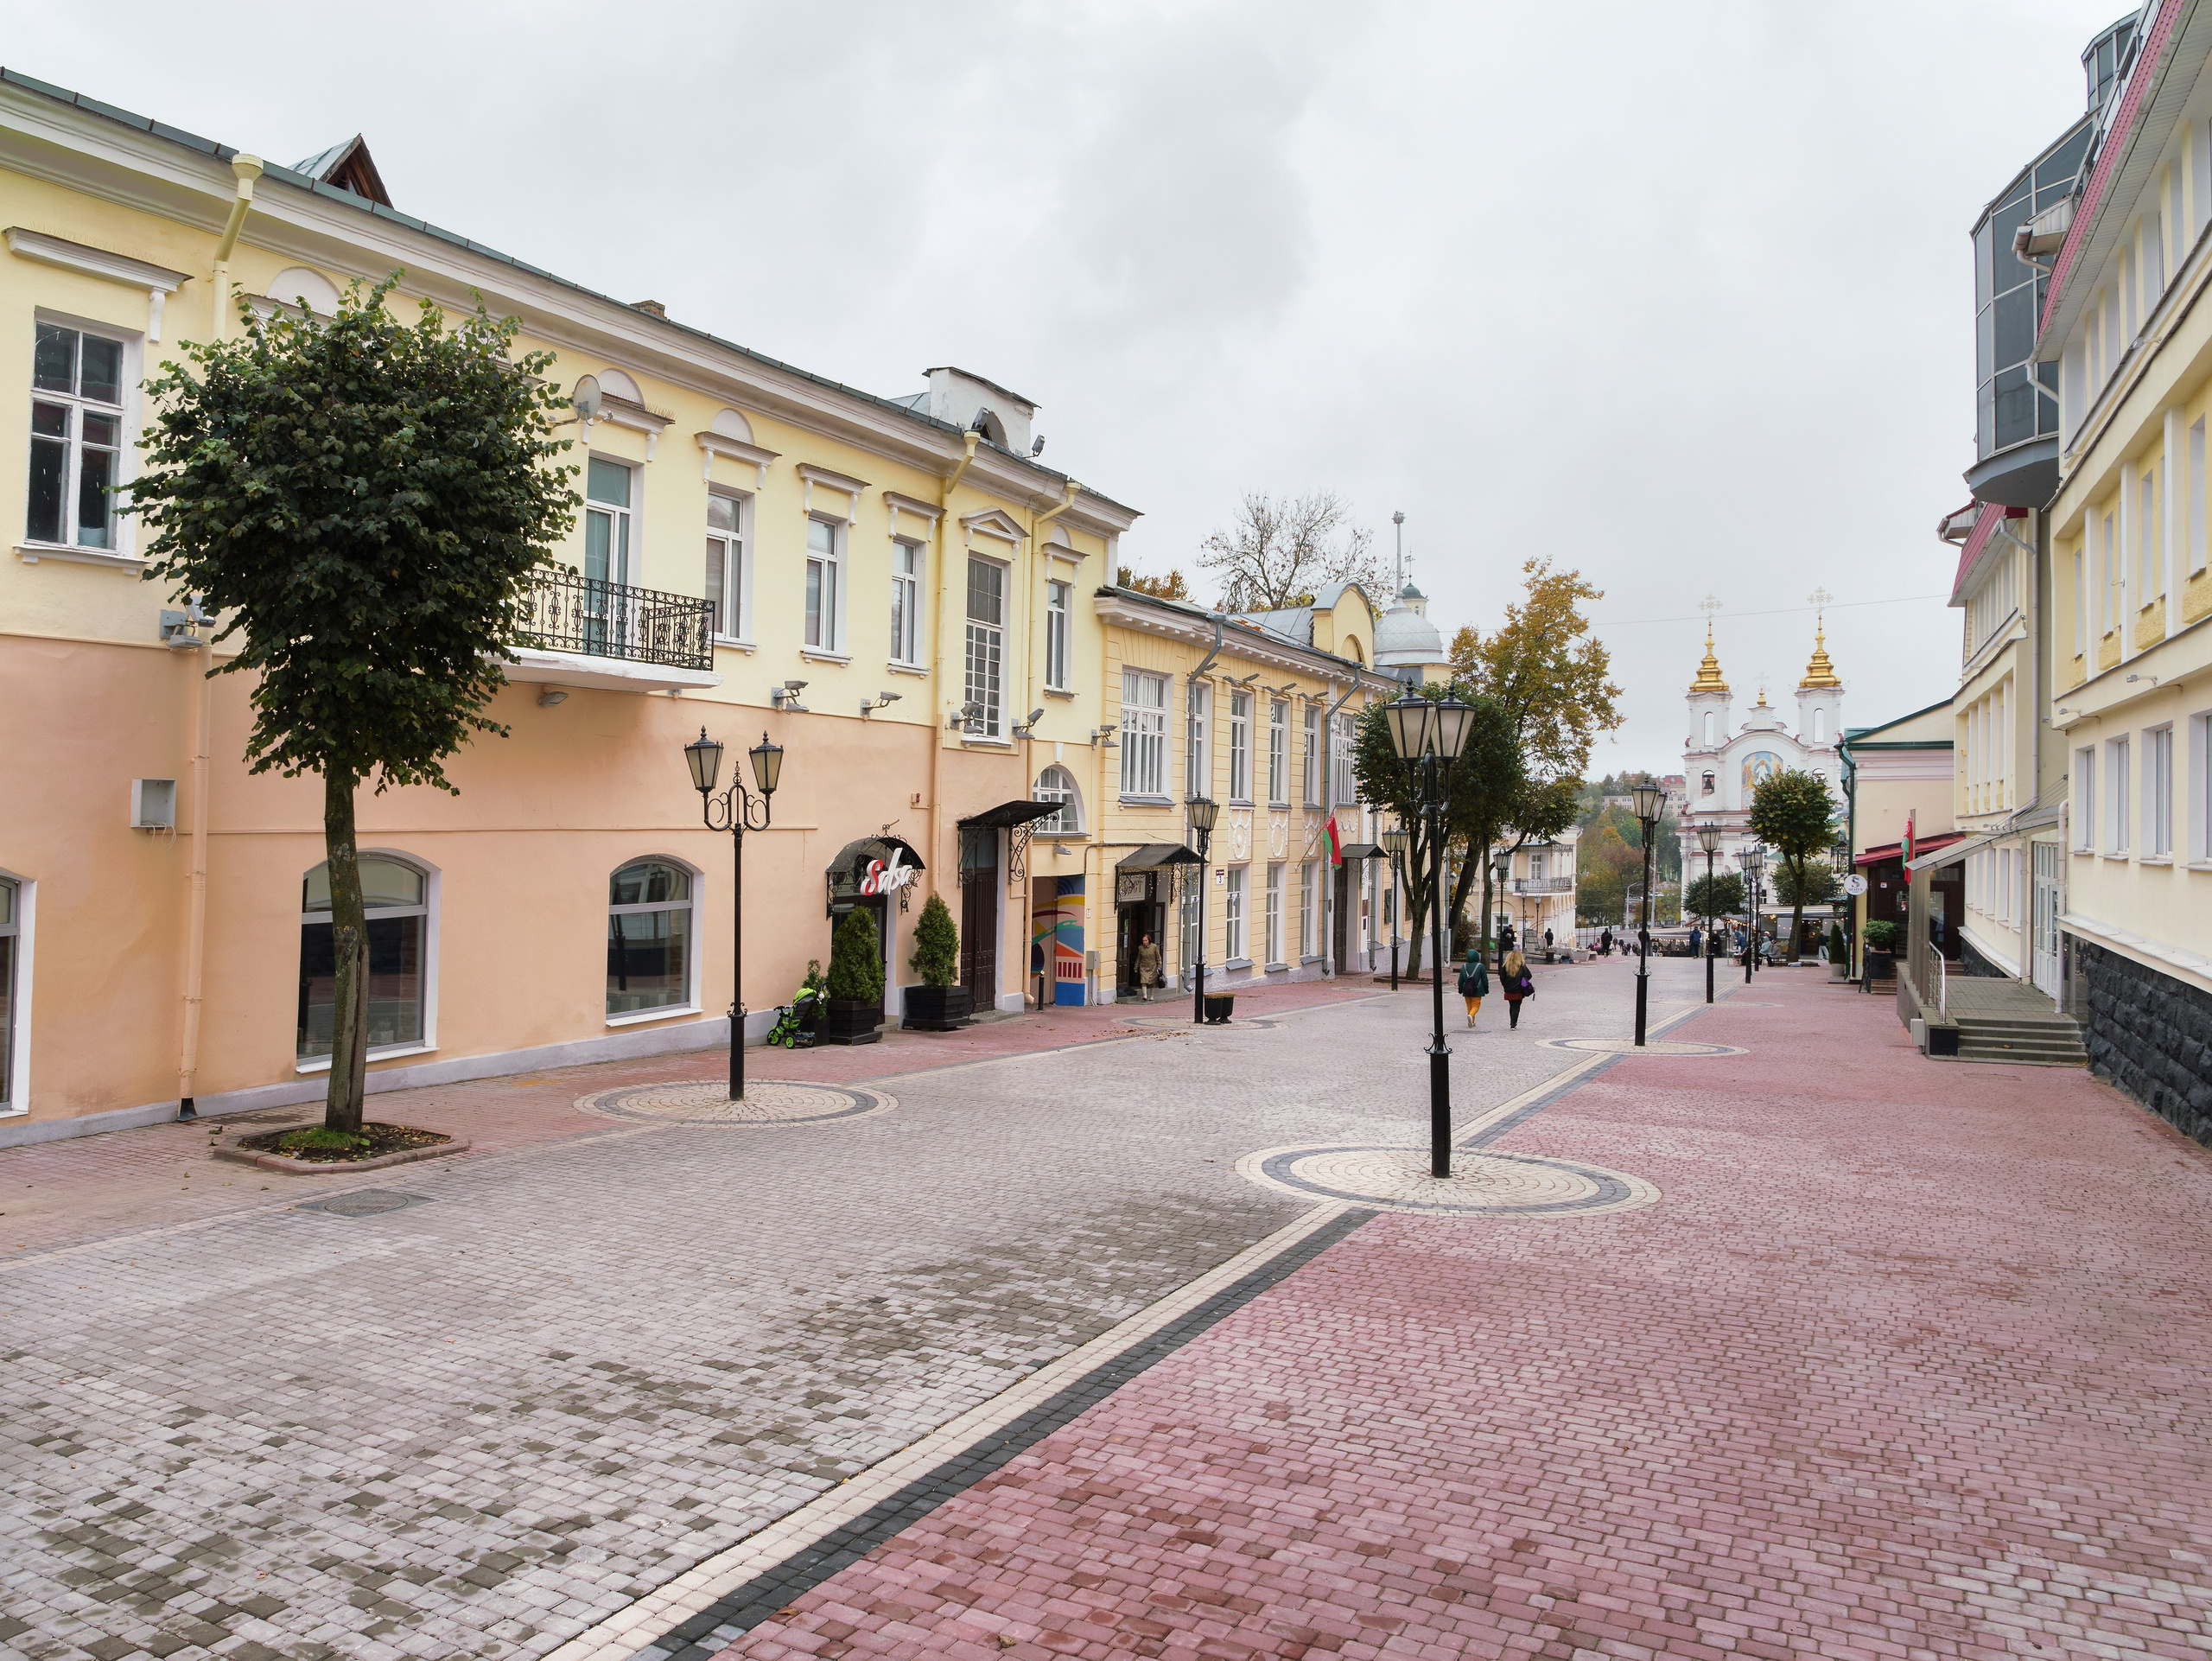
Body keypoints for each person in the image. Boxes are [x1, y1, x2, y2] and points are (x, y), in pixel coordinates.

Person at [1457, 942, 1490, 1028]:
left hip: (1466, 989)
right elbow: (1484, 979)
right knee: (1476, 1005)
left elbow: (1461, 979)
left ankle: (1472, 1020)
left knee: (1469, 1005)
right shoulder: (1480, 966)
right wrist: (1486, 989)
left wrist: (1460, 989)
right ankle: (1471, 1016)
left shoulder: (1464, 966)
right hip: (1477, 990)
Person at [1501, 949, 1535, 1028]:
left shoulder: (1506, 965)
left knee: (1511, 1006)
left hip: (1509, 990)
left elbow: (1502, 977)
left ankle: (1512, 1022)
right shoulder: (1522, 966)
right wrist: (1523, 979)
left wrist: (1505, 986)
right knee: (1517, 1007)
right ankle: (1513, 1024)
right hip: (1519, 990)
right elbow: (1529, 975)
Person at [1131, 932, 1160, 1002]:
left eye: (1146, 940)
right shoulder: (1140, 948)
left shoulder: (1154, 947)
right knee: (1143, 981)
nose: (1144, 942)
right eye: (1143, 941)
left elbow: (1158, 957)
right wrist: (1136, 967)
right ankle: (1145, 995)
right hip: (1143, 967)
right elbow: (1139, 958)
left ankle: (1152, 995)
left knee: (1152, 982)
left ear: (1149, 940)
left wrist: (1159, 966)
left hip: (1152, 967)